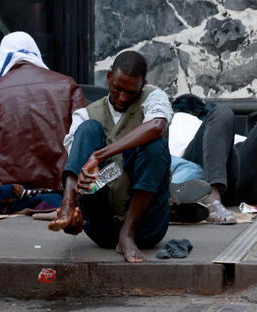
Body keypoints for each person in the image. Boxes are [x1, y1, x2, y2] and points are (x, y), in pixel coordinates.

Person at [49, 51, 174, 263]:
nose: (122, 98)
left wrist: (99, 155)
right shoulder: (85, 114)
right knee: (88, 129)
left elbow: (157, 126)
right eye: (117, 89)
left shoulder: (154, 98)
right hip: (101, 227)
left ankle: (128, 233)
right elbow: (77, 159)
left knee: (155, 143)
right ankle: (67, 208)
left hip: (147, 228)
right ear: (108, 77)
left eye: (131, 93)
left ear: (143, 85)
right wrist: (77, 201)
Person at [0, 31, 87, 194]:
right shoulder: (67, 84)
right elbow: (82, 139)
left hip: (5, 189)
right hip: (59, 186)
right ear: (35, 52)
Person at [181, 103, 257, 223]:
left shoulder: (181, 117)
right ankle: (211, 197)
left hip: (243, 169)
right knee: (222, 112)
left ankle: (213, 194)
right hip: (203, 172)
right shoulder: (172, 121)